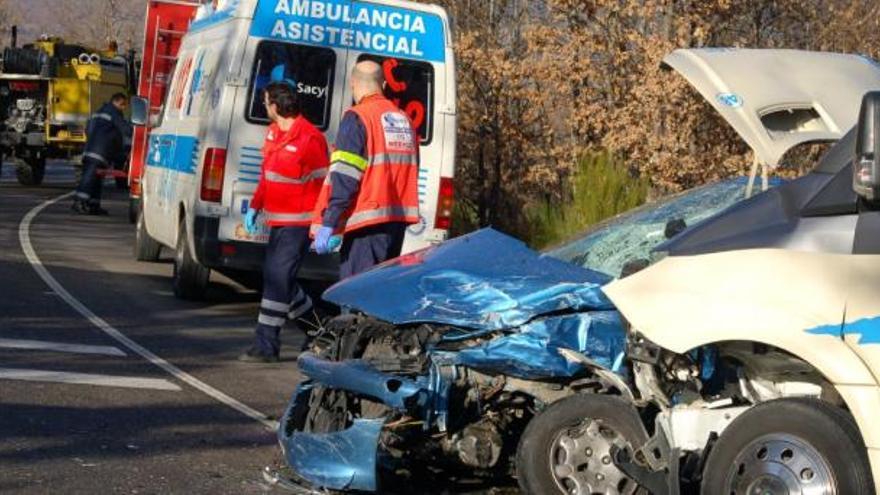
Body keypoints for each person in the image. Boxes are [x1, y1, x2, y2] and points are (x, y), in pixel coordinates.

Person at [239, 81, 329, 363]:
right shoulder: (273, 134)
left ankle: (266, 344)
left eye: (266, 103)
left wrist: (323, 222)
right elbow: (267, 176)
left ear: (276, 106)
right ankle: (320, 331)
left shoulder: (310, 138)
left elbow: (324, 183)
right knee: (280, 280)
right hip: (276, 221)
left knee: (278, 279)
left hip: (299, 224)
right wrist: (255, 206)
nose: (264, 107)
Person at [311, 60, 420, 278]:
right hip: (396, 223)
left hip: (366, 224)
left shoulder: (358, 117)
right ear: (384, 85)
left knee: (355, 294)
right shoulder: (405, 120)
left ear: (352, 83)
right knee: (378, 291)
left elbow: (345, 176)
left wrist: (330, 222)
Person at [72, 93, 130, 215]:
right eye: (123, 105)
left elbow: (87, 129)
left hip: (90, 149)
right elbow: (126, 130)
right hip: (101, 152)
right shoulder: (113, 112)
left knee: (96, 178)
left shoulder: (98, 112)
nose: (124, 108)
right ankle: (79, 202)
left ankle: (93, 205)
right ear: (117, 102)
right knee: (89, 178)